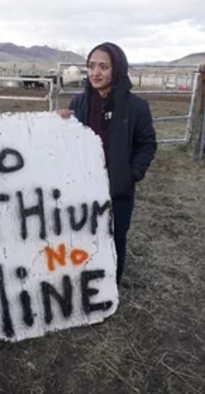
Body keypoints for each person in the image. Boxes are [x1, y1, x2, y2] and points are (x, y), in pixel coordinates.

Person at [59, 42, 157, 285]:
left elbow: (147, 144)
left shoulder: (136, 107)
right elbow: (68, 144)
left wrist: (131, 174)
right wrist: (61, 125)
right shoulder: (78, 104)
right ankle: (84, 285)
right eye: (91, 66)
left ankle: (110, 286)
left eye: (103, 67)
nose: (95, 73)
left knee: (114, 237)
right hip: (83, 188)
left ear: (117, 70)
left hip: (117, 190)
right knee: (82, 235)